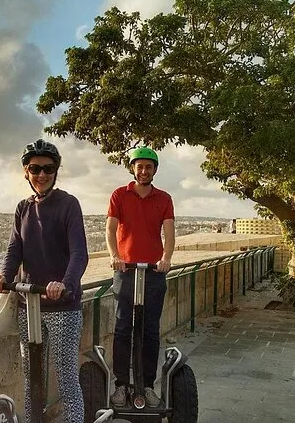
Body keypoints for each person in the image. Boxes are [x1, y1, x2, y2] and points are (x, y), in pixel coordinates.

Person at [0, 139, 88, 423]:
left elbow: (79, 252)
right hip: (28, 304)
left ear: (56, 171)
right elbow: (14, 249)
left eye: (48, 168)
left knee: (66, 377)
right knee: (31, 376)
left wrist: (65, 284)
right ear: (26, 172)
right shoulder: (23, 208)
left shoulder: (68, 204)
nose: (42, 174)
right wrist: (4, 277)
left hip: (61, 306)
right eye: (35, 169)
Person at [106, 146, 175, 408]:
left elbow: (169, 232)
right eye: (139, 166)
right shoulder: (119, 195)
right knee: (123, 327)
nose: (144, 171)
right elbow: (110, 229)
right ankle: (121, 385)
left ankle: (147, 385)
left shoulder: (164, 198)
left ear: (154, 170)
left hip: (154, 272)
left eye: (148, 167)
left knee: (150, 330)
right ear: (133, 169)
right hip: (126, 270)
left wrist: (166, 258)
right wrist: (115, 255)